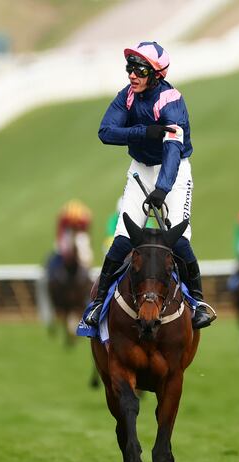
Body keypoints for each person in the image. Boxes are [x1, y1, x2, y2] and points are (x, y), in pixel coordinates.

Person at [83, 41, 216, 329]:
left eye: (139, 70)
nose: (132, 75)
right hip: (140, 170)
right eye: (130, 68)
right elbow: (106, 132)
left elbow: (172, 151)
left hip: (175, 172)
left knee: (178, 241)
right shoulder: (127, 95)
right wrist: (145, 132)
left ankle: (198, 302)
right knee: (121, 240)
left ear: (156, 74)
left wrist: (163, 189)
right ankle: (96, 306)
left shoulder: (171, 102)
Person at [53, 199, 93, 270]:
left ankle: (86, 270)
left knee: (84, 251)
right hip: (67, 230)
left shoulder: (84, 218)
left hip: (80, 231)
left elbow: (86, 234)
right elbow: (60, 233)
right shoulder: (64, 218)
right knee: (61, 249)